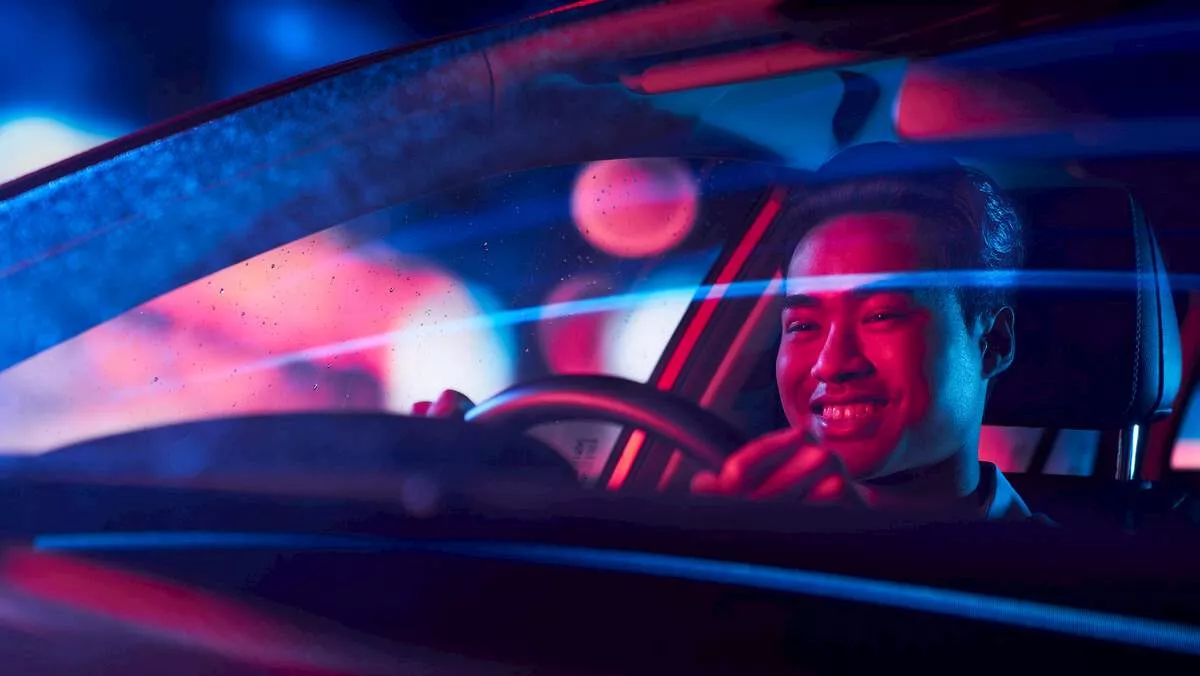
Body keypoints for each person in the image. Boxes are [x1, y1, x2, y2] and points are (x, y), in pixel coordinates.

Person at [420, 143, 1042, 522]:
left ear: (992, 342)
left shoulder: (1067, 595)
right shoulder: (712, 514)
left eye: (881, 315)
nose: (831, 362)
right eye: (803, 323)